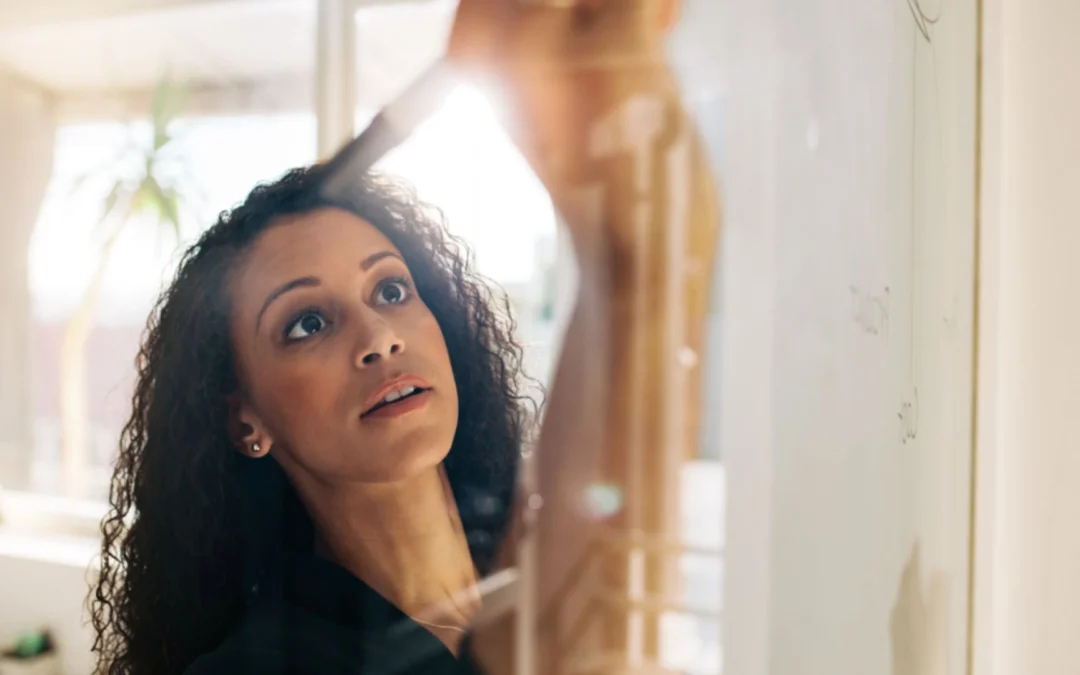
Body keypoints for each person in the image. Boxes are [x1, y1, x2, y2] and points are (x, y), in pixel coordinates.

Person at [90, 0, 719, 673]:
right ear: (246, 419)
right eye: (307, 323)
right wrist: (636, 265)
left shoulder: (519, 565)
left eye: (390, 290)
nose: (378, 336)